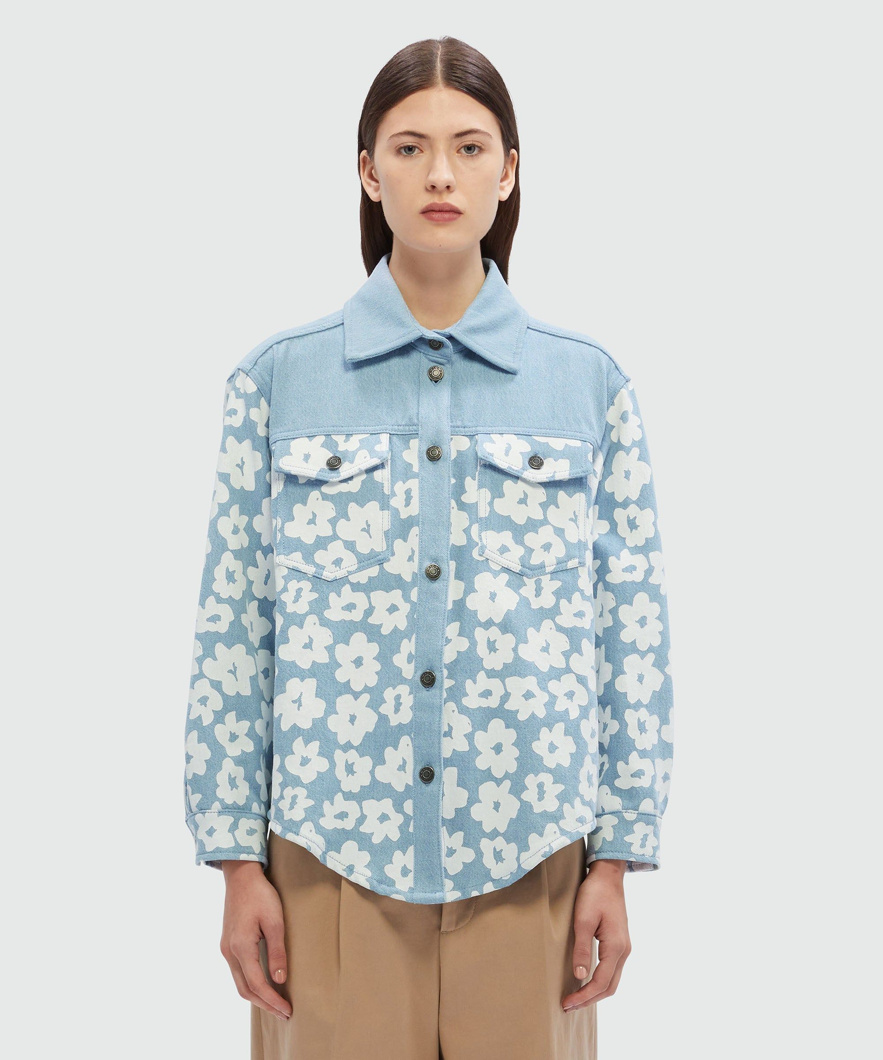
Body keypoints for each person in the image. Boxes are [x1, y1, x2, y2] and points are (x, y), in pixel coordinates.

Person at [183, 35, 675, 1060]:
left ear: (510, 170)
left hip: (533, 866)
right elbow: (235, 633)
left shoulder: (589, 388)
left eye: (468, 146)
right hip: (327, 868)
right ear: (368, 172)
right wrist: (235, 861)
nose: (439, 174)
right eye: (409, 148)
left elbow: (628, 639)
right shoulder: (276, 384)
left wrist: (618, 857)